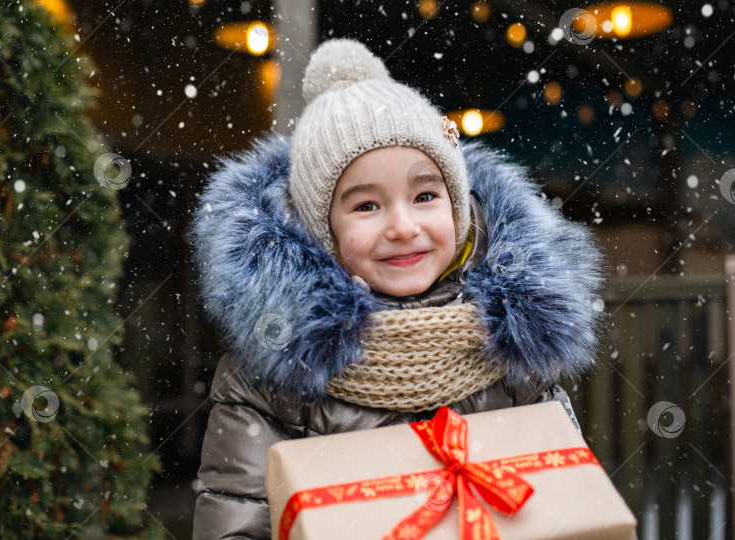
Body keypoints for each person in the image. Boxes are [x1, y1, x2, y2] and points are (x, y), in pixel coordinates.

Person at [187, 38, 605, 539]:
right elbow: (236, 521)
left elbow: (566, 498)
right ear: (323, 230)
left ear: (459, 209)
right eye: (367, 206)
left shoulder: (514, 350)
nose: (404, 226)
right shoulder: (271, 377)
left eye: (425, 195)